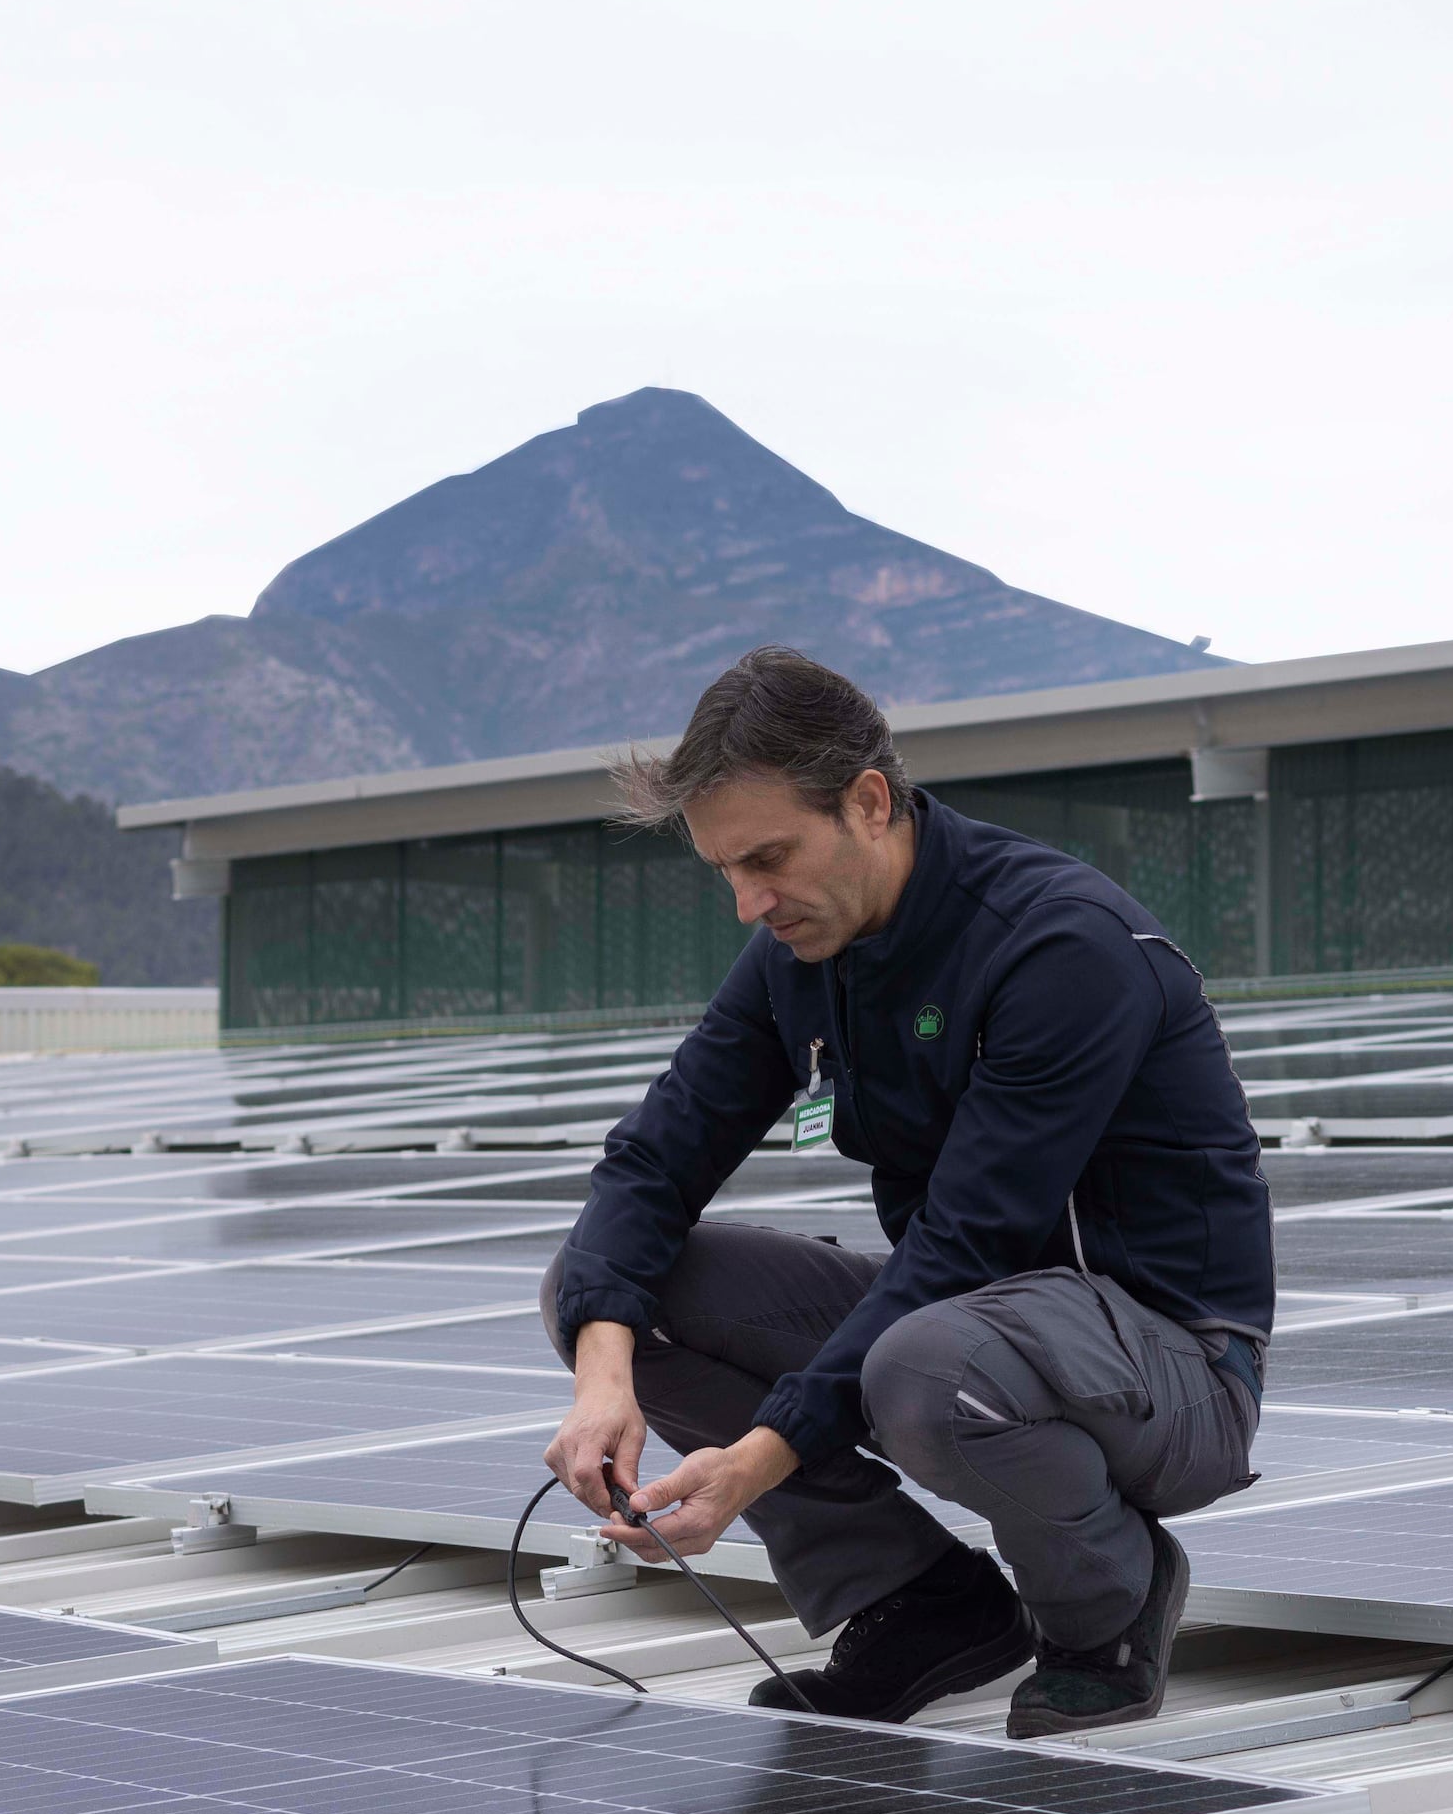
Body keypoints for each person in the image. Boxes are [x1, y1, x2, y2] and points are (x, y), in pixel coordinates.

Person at [539, 646, 1271, 1736]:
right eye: (724, 871)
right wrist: (602, 1379)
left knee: (923, 1361)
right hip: (967, 1330)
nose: (747, 902)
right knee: (612, 1291)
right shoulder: (804, 949)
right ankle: (920, 1604)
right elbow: (654, 1158)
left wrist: (755, 1459)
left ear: (869, 802)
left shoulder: (1058, 945)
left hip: (1169, 1366)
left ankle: (1104, 1602)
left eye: (769, 858)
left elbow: (967, 1244)